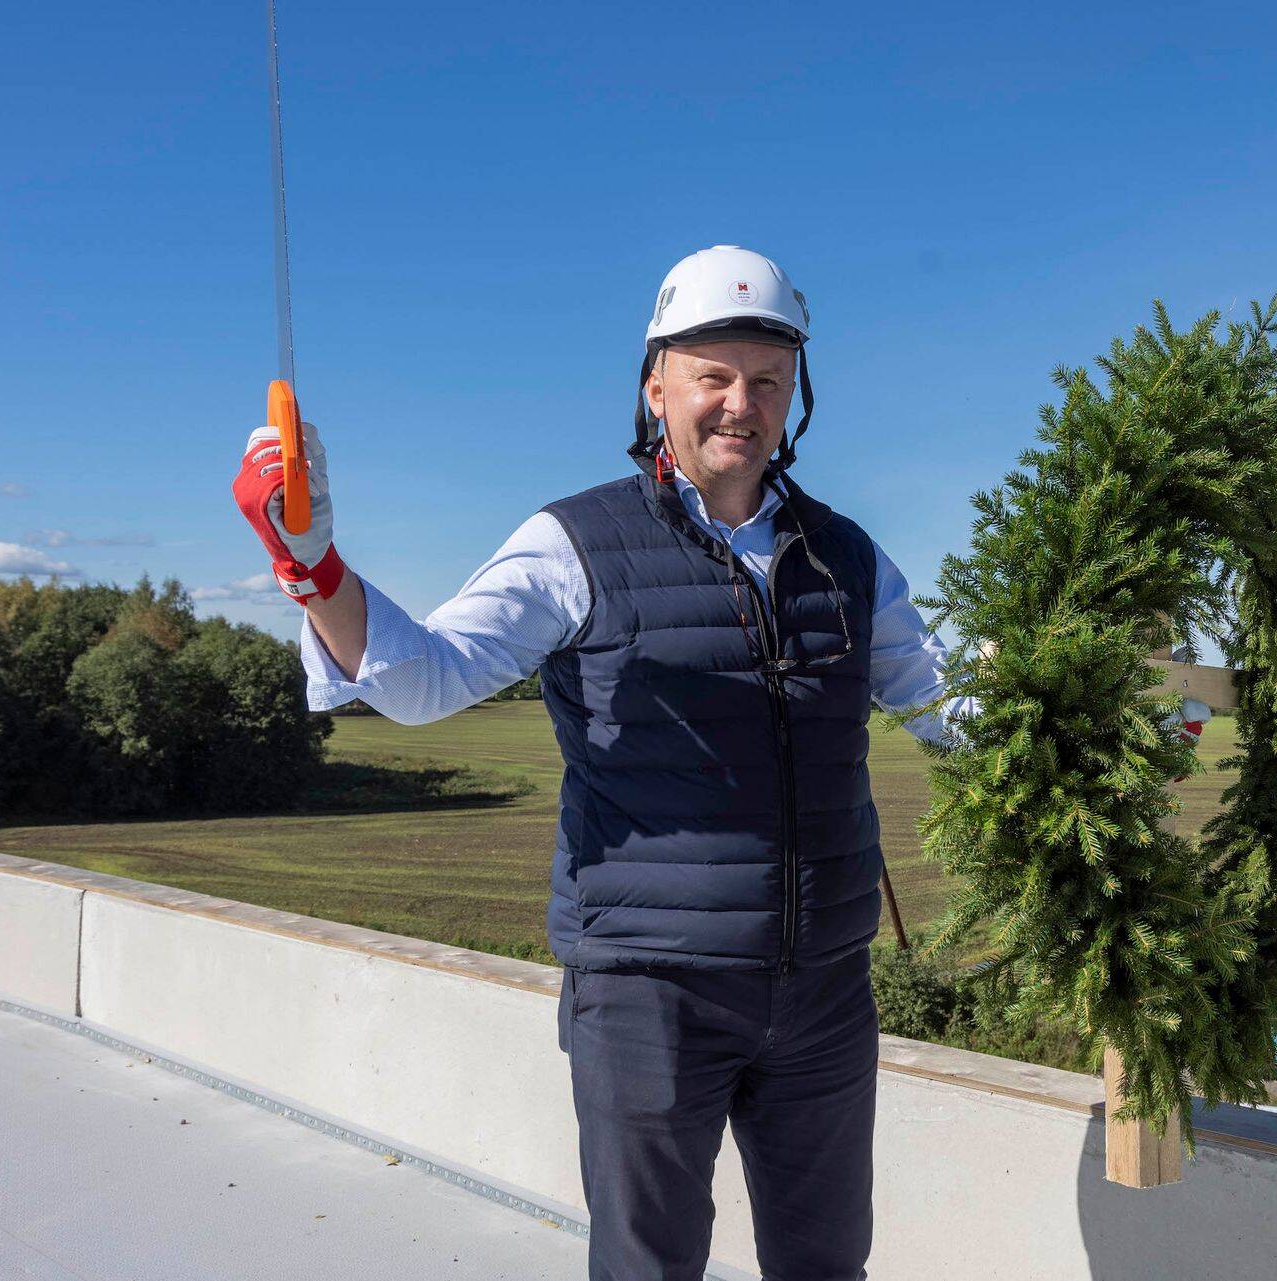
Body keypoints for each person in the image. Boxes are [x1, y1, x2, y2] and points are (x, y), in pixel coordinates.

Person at [232, 245, 1210, 1280]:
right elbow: (423, 678)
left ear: (796, 395)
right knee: (650, 1266)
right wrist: (313, 565)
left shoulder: (849, 557)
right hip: (651, 989)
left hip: (826, 986)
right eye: (714, 375)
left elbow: (940, 707)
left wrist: (1113, 733)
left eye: (768, 379)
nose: (741, 403)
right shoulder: (573, 543)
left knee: (828, 1264)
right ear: (656, 387)